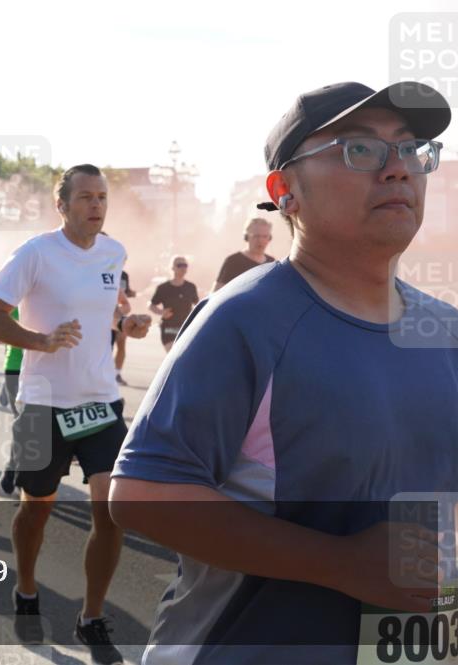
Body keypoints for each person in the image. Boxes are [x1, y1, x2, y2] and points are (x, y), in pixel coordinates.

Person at [109, 81, 456, 664]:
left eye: (412, 149)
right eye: (360, 149)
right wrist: (341, 564)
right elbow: (142, 495)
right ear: (285, 191)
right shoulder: (244, 320)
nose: (398, 169)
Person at [0, 163, 151, 664]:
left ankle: (91, 617)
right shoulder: (34, 253)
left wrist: (127, 321)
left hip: (99, 401)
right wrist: (41, 341)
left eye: (102, 197)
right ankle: (27, 588)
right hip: (41, 403)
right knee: (37, 507)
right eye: (85, 197)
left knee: (112, 508)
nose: (96, 205)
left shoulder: (113, 251)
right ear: (62, 205)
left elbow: (107, 306)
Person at [0, 307, 23, 495]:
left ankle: (12, 467)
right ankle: (20, 474)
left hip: (48, 370)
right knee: (25, 423)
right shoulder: (14, 302)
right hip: (16, 368)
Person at [211, 217, 276, 292]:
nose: (260, 240)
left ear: (270, 238)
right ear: (246, 237)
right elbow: (215, 294)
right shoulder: (232, 261)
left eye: (265, 236)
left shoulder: (272, 263)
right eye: (256, 236)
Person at [148, 256, 199, 352]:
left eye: (185, 265)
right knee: (173, 354)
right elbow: (151, 305)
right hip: (169, 328)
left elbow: (197, 305)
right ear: (172, 268)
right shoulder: (163, 288)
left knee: (183, 355)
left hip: (185, 326)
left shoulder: (191, 287)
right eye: (180, 265)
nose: (183, 268)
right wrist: (161, 312)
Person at [113, 269, 136, 385]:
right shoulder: (100, 267)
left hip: (121, 315)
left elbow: (125, 291)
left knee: (121, 344)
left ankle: (117, 374)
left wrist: (131, 293)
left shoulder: (124, 274)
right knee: (107, 347)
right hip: (103, 317)